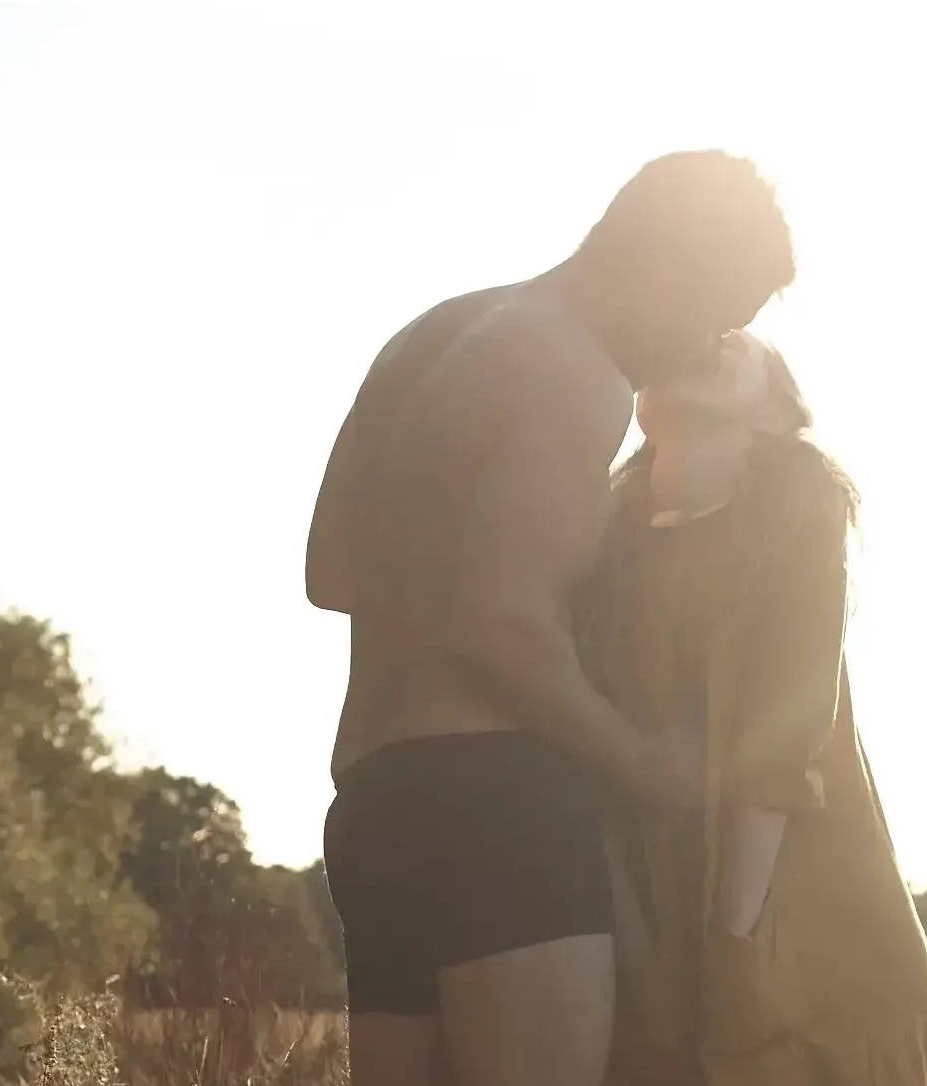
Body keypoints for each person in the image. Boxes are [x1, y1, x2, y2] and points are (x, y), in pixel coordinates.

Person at [306, 152, 798, 1086]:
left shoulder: (433, 334)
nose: (701, 351)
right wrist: (643, 761)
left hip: (375, 801)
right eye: (711, 317)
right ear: (668, 265)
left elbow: (328, 573)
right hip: (496, 807)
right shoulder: (575, 373)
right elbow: (502, 623)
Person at [585, 333, 927, 1085]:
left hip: (814, 940)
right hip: (658, 936)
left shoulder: (804, 505)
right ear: (646, 407)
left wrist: (733, 953)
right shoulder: (607, 536)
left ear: (777, 412)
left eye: (747, 345)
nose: (722, 336)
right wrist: (638, 945)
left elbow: (779, 753)